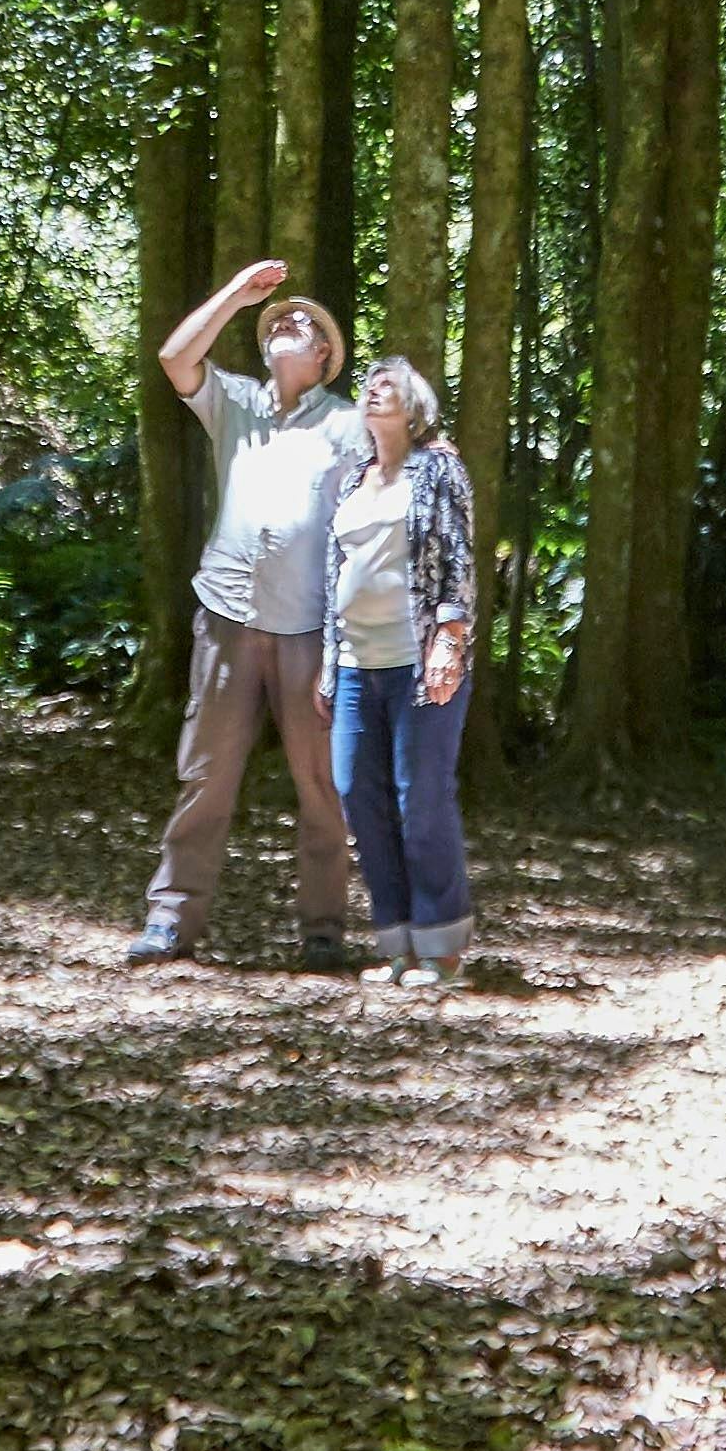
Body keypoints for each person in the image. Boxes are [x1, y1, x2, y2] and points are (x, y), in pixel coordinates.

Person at [137, 256, 359, 969]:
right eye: (275, 324)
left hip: (310, 632)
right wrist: (237, 293)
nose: (283, 328)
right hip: (228, 619)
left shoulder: (348, 426)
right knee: (207, 773)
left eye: (300, 324)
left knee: (322, 783)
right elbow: (174, 357)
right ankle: (173, 920)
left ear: (324, 355)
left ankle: (323, 929)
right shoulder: (233, 401)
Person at [326, 353, 477, 987]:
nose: (374, 392)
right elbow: (332, 574)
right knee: (357, 795)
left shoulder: (438, 468)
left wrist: (451, 635)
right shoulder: (355, 478)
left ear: (415, 408)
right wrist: (325, 664)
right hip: (355, 664)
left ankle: (440, 948)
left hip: (420, 661)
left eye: (389, 386)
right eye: (369, 385)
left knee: (422, 801)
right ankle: (396, 942)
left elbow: (459, 557)